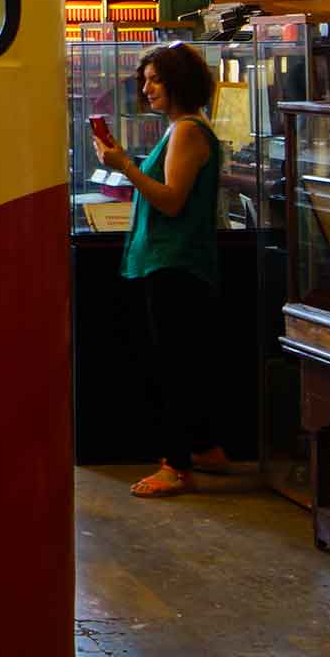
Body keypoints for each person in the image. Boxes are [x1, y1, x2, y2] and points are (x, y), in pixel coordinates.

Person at [96, 42, 235, 499]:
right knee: (187, 362)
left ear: (178, 82)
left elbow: (171, 199)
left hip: (174, 262)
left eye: (155, 79)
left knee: (173, 366)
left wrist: (125, 167)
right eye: (145, 79)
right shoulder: (181, 129)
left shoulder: (187, 133)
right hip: (171, 260)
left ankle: (174, 465)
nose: (146, 87)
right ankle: (204, 447)